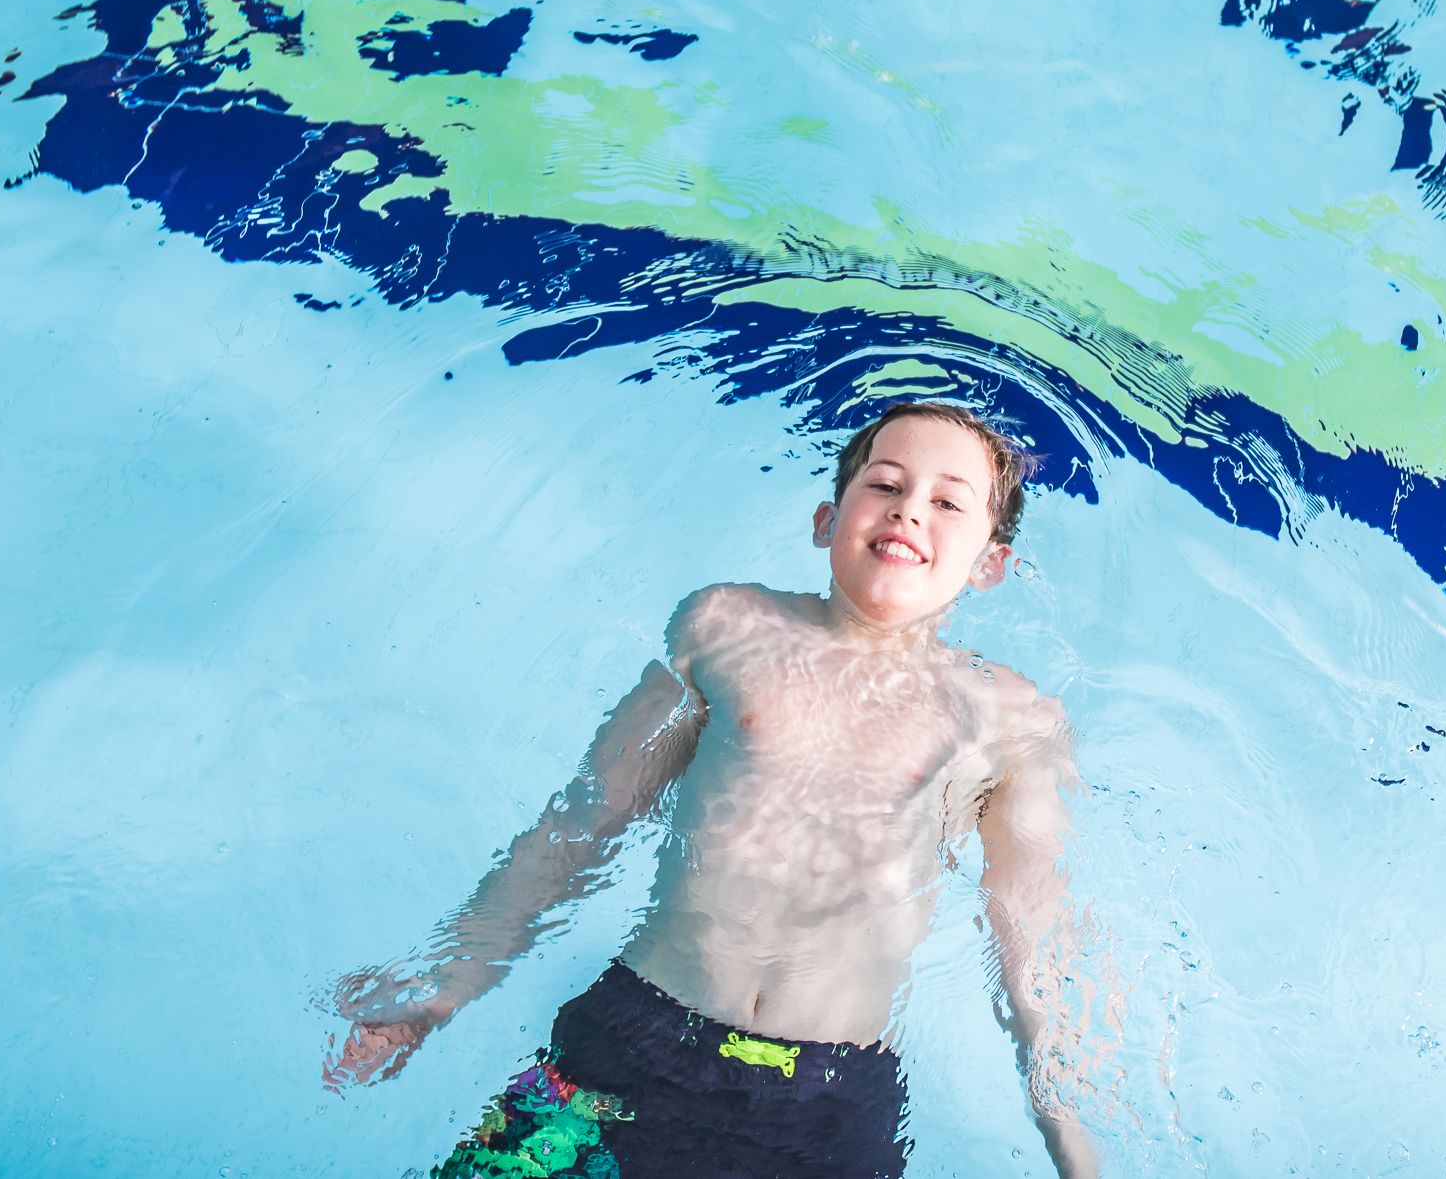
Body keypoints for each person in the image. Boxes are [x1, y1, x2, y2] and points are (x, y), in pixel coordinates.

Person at [324, 400, 1103, 1179]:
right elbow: (588, 817)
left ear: (988, 564)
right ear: (826, 518)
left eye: (946, 501)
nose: (907, 510)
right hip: (636, 1037)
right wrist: (445, 984)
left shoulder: (1009, 718)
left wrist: (1072, 1142)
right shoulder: (728, 629)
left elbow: (1029, 934)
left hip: (825, 1100)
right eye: (886, 483)